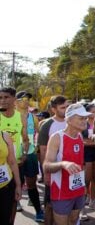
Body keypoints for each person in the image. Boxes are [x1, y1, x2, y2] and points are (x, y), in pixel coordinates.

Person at [43, 103, 92, 225]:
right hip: (61, 192)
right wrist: (63, 164)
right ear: (69, 120)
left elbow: (80, 164)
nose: (85, 121)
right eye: (81, 118)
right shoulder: (57, 138)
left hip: (78, 189)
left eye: (85, 118)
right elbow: (46, 165)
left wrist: (83, 185)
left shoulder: (79, 136)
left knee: (73, 220)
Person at [38, 95, 69, 225]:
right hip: (53, 172)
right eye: (63, 107)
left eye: (67, 106)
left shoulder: (72, 121)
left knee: (68, 204)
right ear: (53, 109)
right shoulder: (47, 125)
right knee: (50, 204)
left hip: (70, 171)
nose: (66, 109)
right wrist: (46, 174)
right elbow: (43, 152)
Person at [15, 91, 44, 222]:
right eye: (23, 99)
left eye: (28, 99)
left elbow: (39, 132)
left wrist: (38, 146)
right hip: (15, 155)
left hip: (31, 154)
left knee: (32, 184)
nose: (26, 101)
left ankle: (38, 211)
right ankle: (17, 202)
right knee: (17, 183)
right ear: (16, 101)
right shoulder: (10, 116)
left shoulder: (33, 117)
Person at [0, 87, 29, 214]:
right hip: (2, 162)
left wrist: (24, 153)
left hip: (15, 163)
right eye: (0, 98)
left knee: (12, 201)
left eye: (6, 97)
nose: (3, 100)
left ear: (14, 99)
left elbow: (26, 139)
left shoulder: (21, 117)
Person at [81, 104, 95, 212]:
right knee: (86, 180)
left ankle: (92, 201)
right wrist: (93, 143)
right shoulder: (83, 123)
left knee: (94, 178)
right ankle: (82, 208)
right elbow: (81, 140)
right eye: (92, 111)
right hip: (86, 154)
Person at [0, 129, 22, 224]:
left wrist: (18, 185)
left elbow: (12, 162)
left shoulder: (4, 136)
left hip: (6, 186)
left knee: (5, 219)